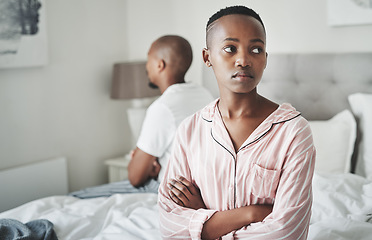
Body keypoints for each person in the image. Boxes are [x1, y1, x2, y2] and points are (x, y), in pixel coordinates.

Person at [158, 6, 315, 240]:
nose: (243, 60)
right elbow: (169, 225)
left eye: (256, 49)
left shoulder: (293, 131)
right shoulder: (190, 130)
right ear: (207, 57)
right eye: (230, 48)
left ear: (265, 59)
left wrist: (203, 219)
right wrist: (250, 213)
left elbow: (286, 231)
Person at [70, 35, 213, 198]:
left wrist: (144, 163)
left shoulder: (163, 107)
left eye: (148, 60)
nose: (146, 67)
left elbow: (135, 178)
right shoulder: (204, 94)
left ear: (160, 65)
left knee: (76, 196)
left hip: (167, 189)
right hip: (197, 188)